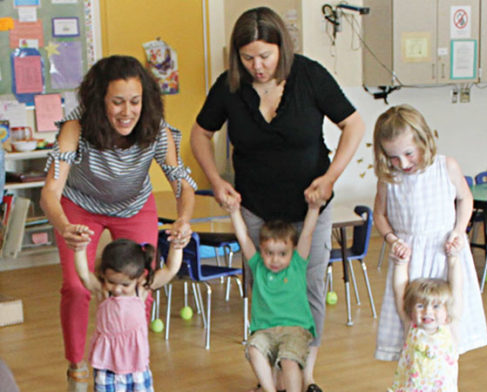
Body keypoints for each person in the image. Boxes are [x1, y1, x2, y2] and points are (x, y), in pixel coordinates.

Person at [189, 6, 364, 390]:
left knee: (311, 286)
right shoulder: (229, 86)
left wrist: (330, 177)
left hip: (309, 206)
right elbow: (200, 133)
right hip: (256, 209)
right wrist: (216, 180)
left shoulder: (309, 75)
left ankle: (305, 373)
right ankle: (270, 371)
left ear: (281, 48)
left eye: (265, 56)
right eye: (248, 57)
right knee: (262, 288)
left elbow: (353, 124)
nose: (257, 66)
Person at [39, 55, 196, 392]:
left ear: (146, 101)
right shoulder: (75, 128)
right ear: (100, 101)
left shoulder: (156, 129)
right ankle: (77, 366)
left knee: (143, 282)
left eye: (135, 102)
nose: (127, 112)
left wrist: (183, 219)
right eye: (118, 102)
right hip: (80, 207)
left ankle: (134, 360)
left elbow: (182, 183)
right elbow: (50, 191)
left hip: (134, 206)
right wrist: (65, 226)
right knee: (77, 286)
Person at [372, 104, 487, 362]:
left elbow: (465, 198)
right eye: (393, 157)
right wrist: (392, 239)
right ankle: (416, 375)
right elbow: (379, 215)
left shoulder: (445, 166)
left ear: (423, 140)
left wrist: (459, 231)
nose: (402, 163)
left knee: (449, 318)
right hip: (410, 260)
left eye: (408, 153)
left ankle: (445, 375)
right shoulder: (389, 178)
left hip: (443, 254)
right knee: (411, 322)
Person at [228, 195, 323, 392]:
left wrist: (314, 208)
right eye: (269, 252)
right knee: (254, 349)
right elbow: (243, 238)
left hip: (296, 330)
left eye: (282, 254)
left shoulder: (297, 264)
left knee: (289, 360)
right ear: (261, 250)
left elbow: (307, 233)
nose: (275, 260)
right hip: (265, 331)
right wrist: (234, 211)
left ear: (293, 251)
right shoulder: (258, 266)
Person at [73, 232, 183, 392]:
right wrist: (79, 249)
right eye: (112, 282)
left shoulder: (142, 290)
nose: (117, 289)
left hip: (136, 366)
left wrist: (176, 246)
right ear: (103, 274)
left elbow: (170, 270)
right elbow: (83, 275)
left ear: (138, 278)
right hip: (107, 366)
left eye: (125, 285)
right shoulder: (104, 292)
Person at [388, 247, 463, 392]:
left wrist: (453, 260)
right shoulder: (411, 326)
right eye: (421, 306)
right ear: (411, 309)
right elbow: (399, 290)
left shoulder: (450, 327)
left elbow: (457, 289)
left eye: (436, 306)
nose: (428, 312)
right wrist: (401, 264)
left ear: (447, 310)